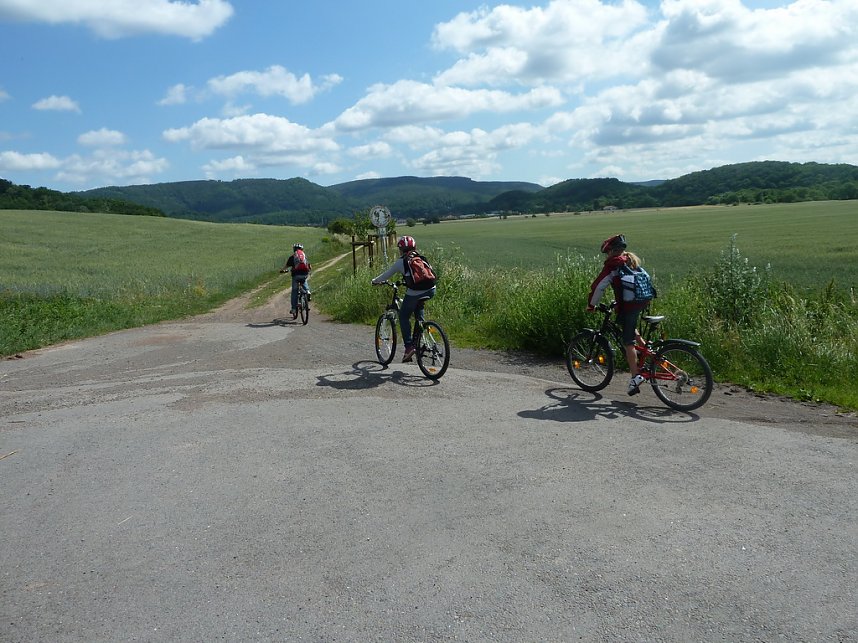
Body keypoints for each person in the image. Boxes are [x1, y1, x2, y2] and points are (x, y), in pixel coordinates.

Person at [587, 234, 650, 396]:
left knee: (627, 342)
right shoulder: (630, 260)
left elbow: (599, 286)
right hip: (641, 302)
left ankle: (635, 377)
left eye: (607, 252)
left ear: (611, 251)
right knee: (629, 325)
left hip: (630, 305)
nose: (607, 256)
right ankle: (647, 353)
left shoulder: (613, 265)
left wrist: (591, 305)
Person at [371, 235, 436, 362]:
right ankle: (420, 334)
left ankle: (409, 346)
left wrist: (375, 281)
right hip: (431, 289)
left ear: (401, 249)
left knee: (403, 316)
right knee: (418, 309)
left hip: (415, 291)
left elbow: (386, 275)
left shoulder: (402, 262)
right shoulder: (421, 258)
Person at [280, 243, 312, 316]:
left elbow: (286, 266)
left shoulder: (292, 257)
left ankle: (294, 309)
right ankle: (307, 291)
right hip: (304, 273)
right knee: (304, 280)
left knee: (294, 291)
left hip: (296, 275)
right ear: (302, 249)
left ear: (294, 249)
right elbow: (309, 265)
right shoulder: (304, 256)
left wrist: (282, 270)